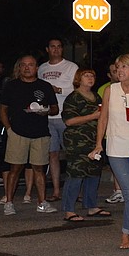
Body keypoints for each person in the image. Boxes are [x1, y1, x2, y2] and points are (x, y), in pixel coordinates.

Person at [91, 54, 129, 254]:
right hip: (116, 147)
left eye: (124, 67)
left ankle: (126, 232)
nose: (120, 70)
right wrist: (98, 143)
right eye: (118, 67)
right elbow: (103, 118)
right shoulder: (110, 90)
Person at [0, 55, 59, 216]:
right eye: (24, 65)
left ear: (36, 68)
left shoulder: (44, 86)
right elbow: (3, 110)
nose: (27, 68)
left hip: (40, 133)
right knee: (15, 169)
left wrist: (44, 111)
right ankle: (9, 203)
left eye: (31, 65)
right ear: (19, 68)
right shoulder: (11, 86)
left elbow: (55, 109)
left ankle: (42, 203)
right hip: (18, 133)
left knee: (39, 169)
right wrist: (9, 130)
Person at [61, 68, 108, 221]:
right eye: (86, 76)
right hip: (77, 142)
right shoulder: (73, 98)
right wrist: (93, 116)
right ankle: (69, 210)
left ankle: (92, 206)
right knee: (76, 174)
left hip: (95, 141)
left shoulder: (96, 97)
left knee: (93, 173)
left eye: (92, 75)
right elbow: (69, 121)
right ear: (78, 79)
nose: (90, 78)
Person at [38, 38, 79, 202]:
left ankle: (74, 190)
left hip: (65, 116)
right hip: (47, 116)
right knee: (52, 154)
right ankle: (56, 191)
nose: (55, 49)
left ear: (62, 49)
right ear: (47, 49)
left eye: (59, 47)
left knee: (71, 154)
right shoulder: (42, 68)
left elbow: (77, 88)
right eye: (52, 47)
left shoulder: (71, 67)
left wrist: (58, 89)